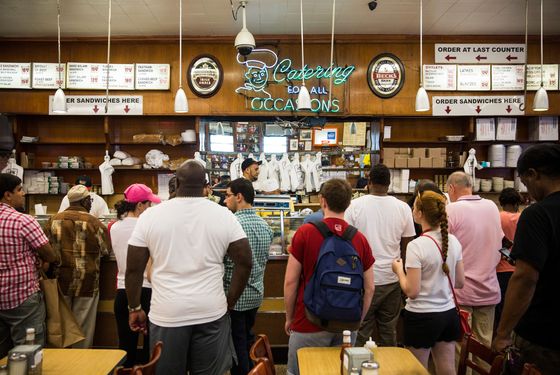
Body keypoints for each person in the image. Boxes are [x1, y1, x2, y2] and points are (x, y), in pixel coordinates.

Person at [125, 160, 252, 375]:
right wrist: (229, 301)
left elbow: (133, 269)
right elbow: (245, 262)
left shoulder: (150, 216)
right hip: (211, 310)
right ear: (205, 184)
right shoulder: (224, 215)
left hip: (167, 313)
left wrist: (135, 307)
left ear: (177, 181)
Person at [284, 178, 375, 375]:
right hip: (347, 326)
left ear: (322, 200)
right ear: (349, 203)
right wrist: (357, 320)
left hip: (308, 321)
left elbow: (290, 281)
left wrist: (289, 317)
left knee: (299, 372)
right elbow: (370, 288)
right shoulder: (360, 239)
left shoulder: (305, 233)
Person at [493, 144, 560, 374]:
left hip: (543, 335)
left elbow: (525, 278)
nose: (527, 191)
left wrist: (502, 333)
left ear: (533, 174)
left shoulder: (538, 214)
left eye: (524, 182)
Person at [392, 190, 465, 372]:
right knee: (447, 369)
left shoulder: (417, 246)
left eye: (414, 207)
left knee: (417, 370)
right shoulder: (453, 241)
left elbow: (412, 291)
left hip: (422, 316)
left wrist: (399, 271)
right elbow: (460, 282)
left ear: (420, 213)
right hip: (448, 314)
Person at [344, 164, 416, 347]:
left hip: (363, 279)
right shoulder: (402, 208)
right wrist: (403, 274)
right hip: (392, 279)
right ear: (389, 184)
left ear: (369, 182)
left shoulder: (354, 206)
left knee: (360, 330)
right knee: (388, 332)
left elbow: (346, 244)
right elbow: (408, 245)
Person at [0, 173, 59, 358]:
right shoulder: (23, 221)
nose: (23, 194)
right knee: (27, 352)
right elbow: (50, 254)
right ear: (7, 195)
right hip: (22, 295)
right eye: (19, 190)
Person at [46, 184, 111, 348]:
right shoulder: (94, 223)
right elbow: (105, 250)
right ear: (86, 201)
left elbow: (46, 250)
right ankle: (82, 362)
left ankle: (63, 363)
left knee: (62, 323)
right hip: (87, 280)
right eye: (89, 200)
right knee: (84, 326)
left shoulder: (53, 220)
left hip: (60, 279)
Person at [446, 171, 502, 357]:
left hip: (461, 292)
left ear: (451, 188)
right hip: (489, 289)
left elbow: (443, 249)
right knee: (484, 350)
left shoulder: (452, 210)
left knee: (461, 350)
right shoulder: (492, 207)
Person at [224, 178, 273, 375]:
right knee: (247, 338)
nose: (225, 200)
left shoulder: (232, 224)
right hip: (255, 294)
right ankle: (254, 370)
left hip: (234, 295)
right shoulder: (265, 225)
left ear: (239, 197)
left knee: (237, 344)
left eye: (227, 195)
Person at [111, 184, 160, 367]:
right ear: (140, 205)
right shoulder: (147, 227)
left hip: (123, 291)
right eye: (149, 204)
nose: (150, 208)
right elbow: (152, 263)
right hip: (146, 290)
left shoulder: (114, 226)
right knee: (151, 347)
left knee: (125, 348)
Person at [494, 187, 522, 330]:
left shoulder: (496, 217)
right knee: (515, 307)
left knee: (500, 309)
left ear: (501, 202)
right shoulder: (522, 218)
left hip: (499, 269)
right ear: (517, 203)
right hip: (518, 269)